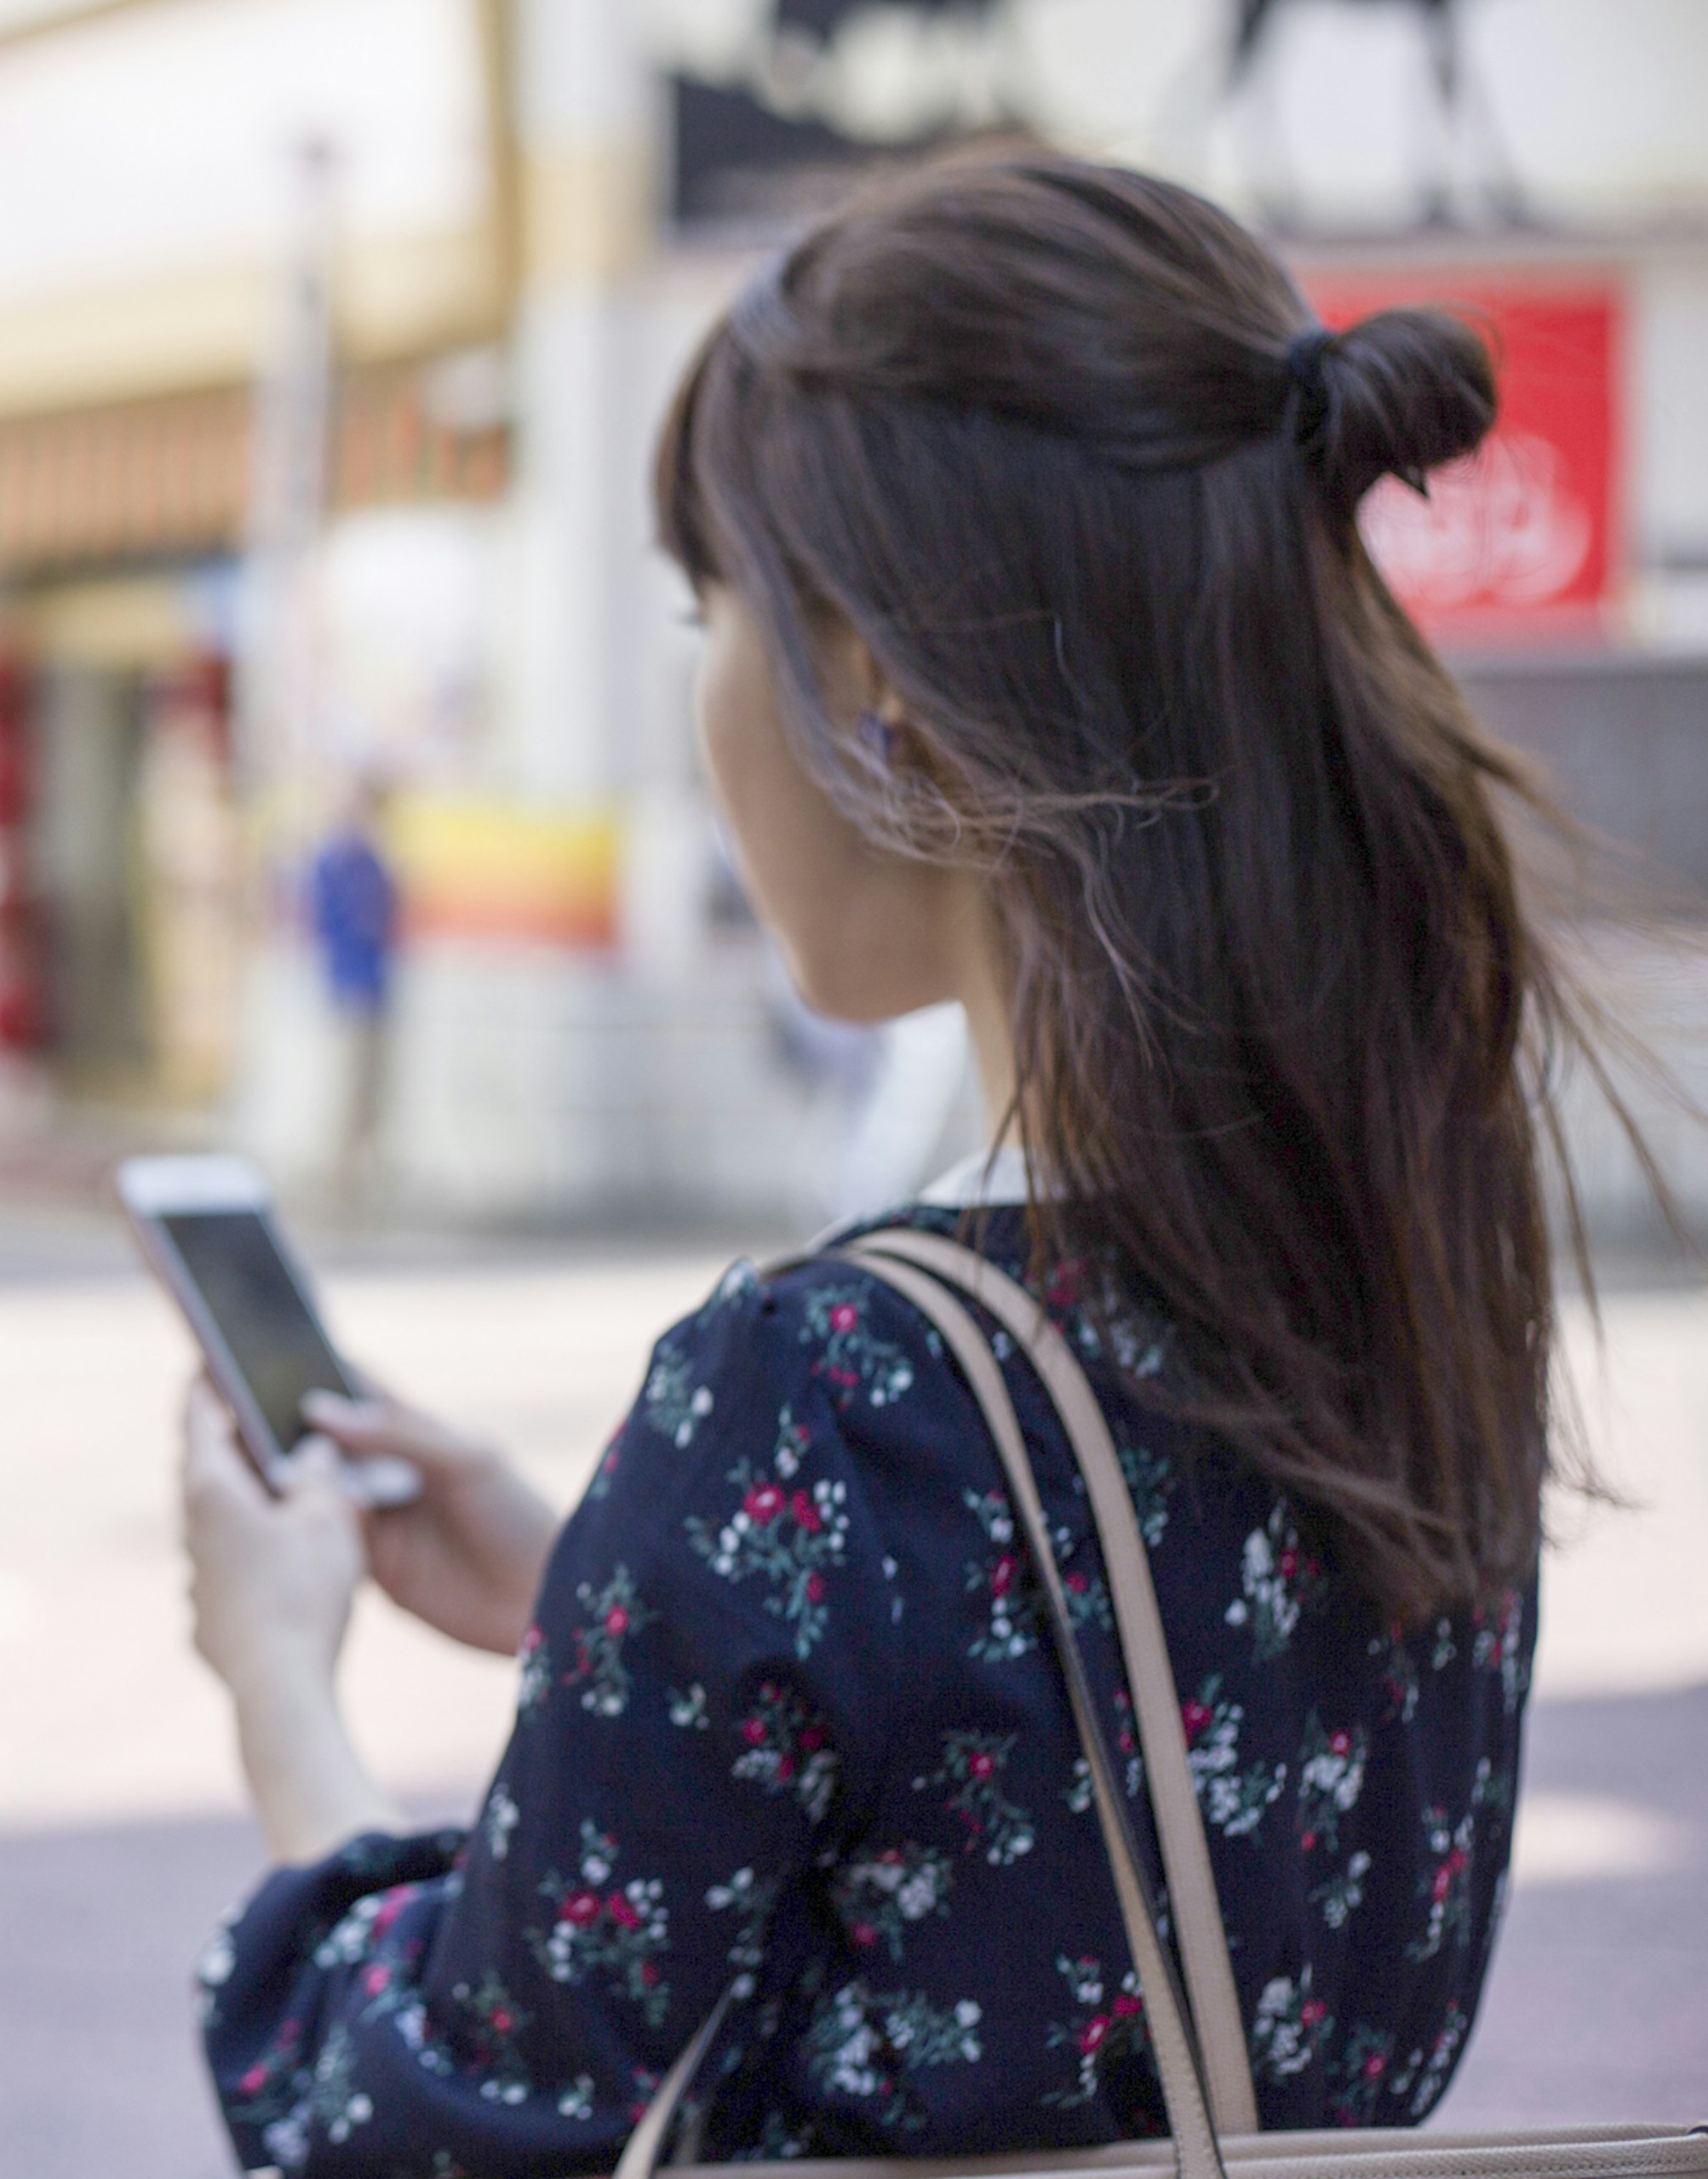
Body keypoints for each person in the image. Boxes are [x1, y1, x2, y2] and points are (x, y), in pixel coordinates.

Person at [179, 153, 1620, 2165]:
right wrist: (598, 1600)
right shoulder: (1412, 1281)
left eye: (711, 610)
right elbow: (1066, 1779)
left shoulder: (826, 1400)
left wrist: (279, 1687)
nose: (703, 695)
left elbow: (431, 2121)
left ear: (865, 677)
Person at [307, 775, 400, 1211]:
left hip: (377, 985)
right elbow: (325, 922)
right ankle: (337, 1181)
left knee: (375, 1091)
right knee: (347, 1087)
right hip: (349, 986)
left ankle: (368, 1178)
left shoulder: (374, 861)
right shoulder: (334, 862)